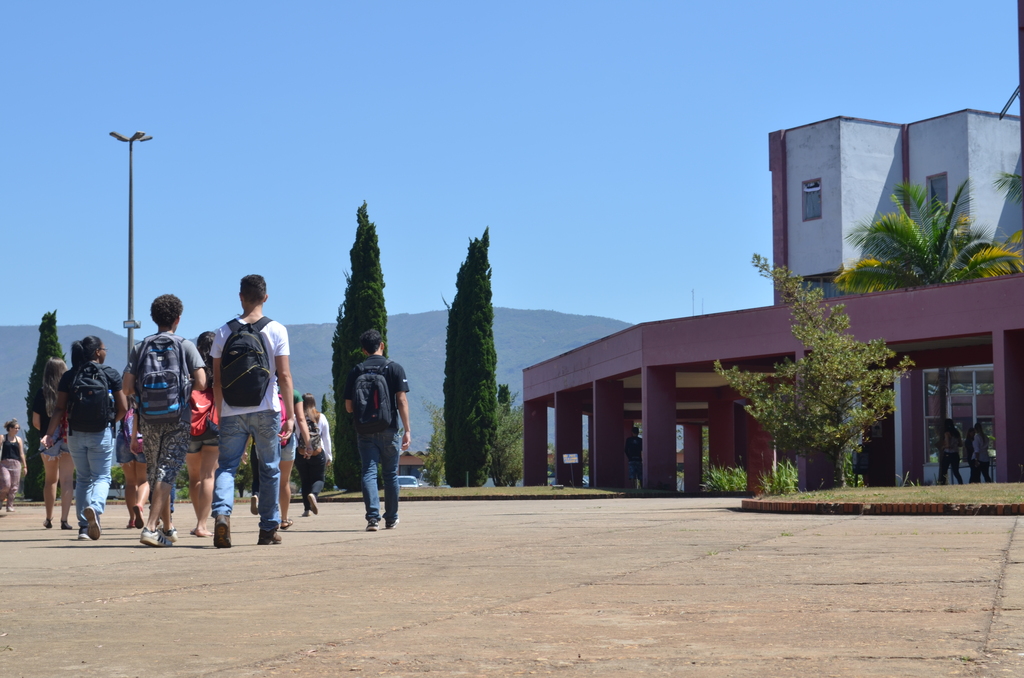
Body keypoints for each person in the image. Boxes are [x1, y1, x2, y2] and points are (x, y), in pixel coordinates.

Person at [211, 274, 295, 547]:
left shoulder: (223, 332)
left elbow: (217, 380)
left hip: (231, 411)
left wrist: (220, 410)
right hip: (267, 408)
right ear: (265, 298)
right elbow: (284, 376)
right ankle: (268, 530)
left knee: (226, 467)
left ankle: (222, 515)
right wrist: (290, 415)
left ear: (241, 297)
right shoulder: (277, 330)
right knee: (270, 469)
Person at [123, 295, 207, 548]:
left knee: (155, 470)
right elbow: (202, 383)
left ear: (153, 318)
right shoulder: (185, 345)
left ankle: (168, 529)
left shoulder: (141, 346)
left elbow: (127, 387)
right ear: (177, 319)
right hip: (177, 416)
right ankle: (150, 528)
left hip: (148, 417)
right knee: (167, 470)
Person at [41, 336, 128, 541]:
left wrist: (49, 434)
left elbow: (59, 408)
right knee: (102, 477)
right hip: (101, 433)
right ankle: (95, 508)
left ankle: (83, 528)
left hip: (75, 434)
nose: (105, 352)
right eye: (104, 348)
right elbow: (123, 408)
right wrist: (109, 422)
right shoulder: (110, 373)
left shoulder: (70, 375)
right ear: (97, 351)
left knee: (82, 479)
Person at [344, 328, 410, 531]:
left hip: (365, 430)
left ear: (363, 350)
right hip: (389, 428)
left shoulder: (356, 370)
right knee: (390, 474)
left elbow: (348, 407)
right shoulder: (395, 368)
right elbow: (402, 401)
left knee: (369, 472)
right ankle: (391, 518)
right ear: (382, 345)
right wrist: (407, 429)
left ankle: (372, 518)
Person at [32, 357, 75, 529]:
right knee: (67, 479)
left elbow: (36, 421)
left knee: (50, 480)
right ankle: (64, 520)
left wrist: (46, 431)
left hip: (47, 438)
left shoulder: (41, 393)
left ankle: (49, 518)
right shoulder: (70, 392)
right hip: (66, 436)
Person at [186, 331, 219, 537]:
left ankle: (198, 521)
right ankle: (202, 525)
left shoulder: (192, 368)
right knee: (209, 475)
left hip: (190, 428)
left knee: (194, 477)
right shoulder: (219, 368)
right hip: (213, 426)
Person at [276, 388, 309, 530]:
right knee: (284, 481)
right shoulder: (293, 393)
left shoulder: (262, 389)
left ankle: (269, 518)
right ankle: (284, 518)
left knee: (268, 479)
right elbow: (301, 419)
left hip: (267, 439)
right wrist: (309, 443)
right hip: (287, 440)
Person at [296, 393, 332, 518]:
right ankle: (314, 495)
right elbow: (326, 437)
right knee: (319, 479)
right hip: (317, 452)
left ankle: (306, 510)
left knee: (305, 480)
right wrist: (329, 456)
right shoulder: (320, 417)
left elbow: (295, 436)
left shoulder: (297, 418)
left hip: (301, 453)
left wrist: (298, 450)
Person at [114, 399, 148, 528]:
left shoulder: (122, 398)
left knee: (130, 482)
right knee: (143, 481)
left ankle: (132, 519)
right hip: (141, 440)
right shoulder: (143, 396)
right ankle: (139, 505)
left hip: (123, 439)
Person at [1, 419, 27, 511]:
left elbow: (21, 453)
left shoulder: (18, 439)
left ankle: (10, 505)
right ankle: (1, 499)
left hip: (16, 463)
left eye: (18, 428)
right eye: (15, 428)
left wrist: (25, 466)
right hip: (4, 463)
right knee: (6, 484)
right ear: (10, 428)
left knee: (14, 486)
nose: (17, 430)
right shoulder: (3, 437)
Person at [939, 419, 964, 486]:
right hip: (955, 454)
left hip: (948, 454)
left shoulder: (947, 433)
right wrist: (955, 444)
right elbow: (961, 444)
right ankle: (961, 483)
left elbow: (948, 445)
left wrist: (943, 447)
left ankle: (942, 484)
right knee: (956, 471)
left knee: (944, 471)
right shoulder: (957, 433)